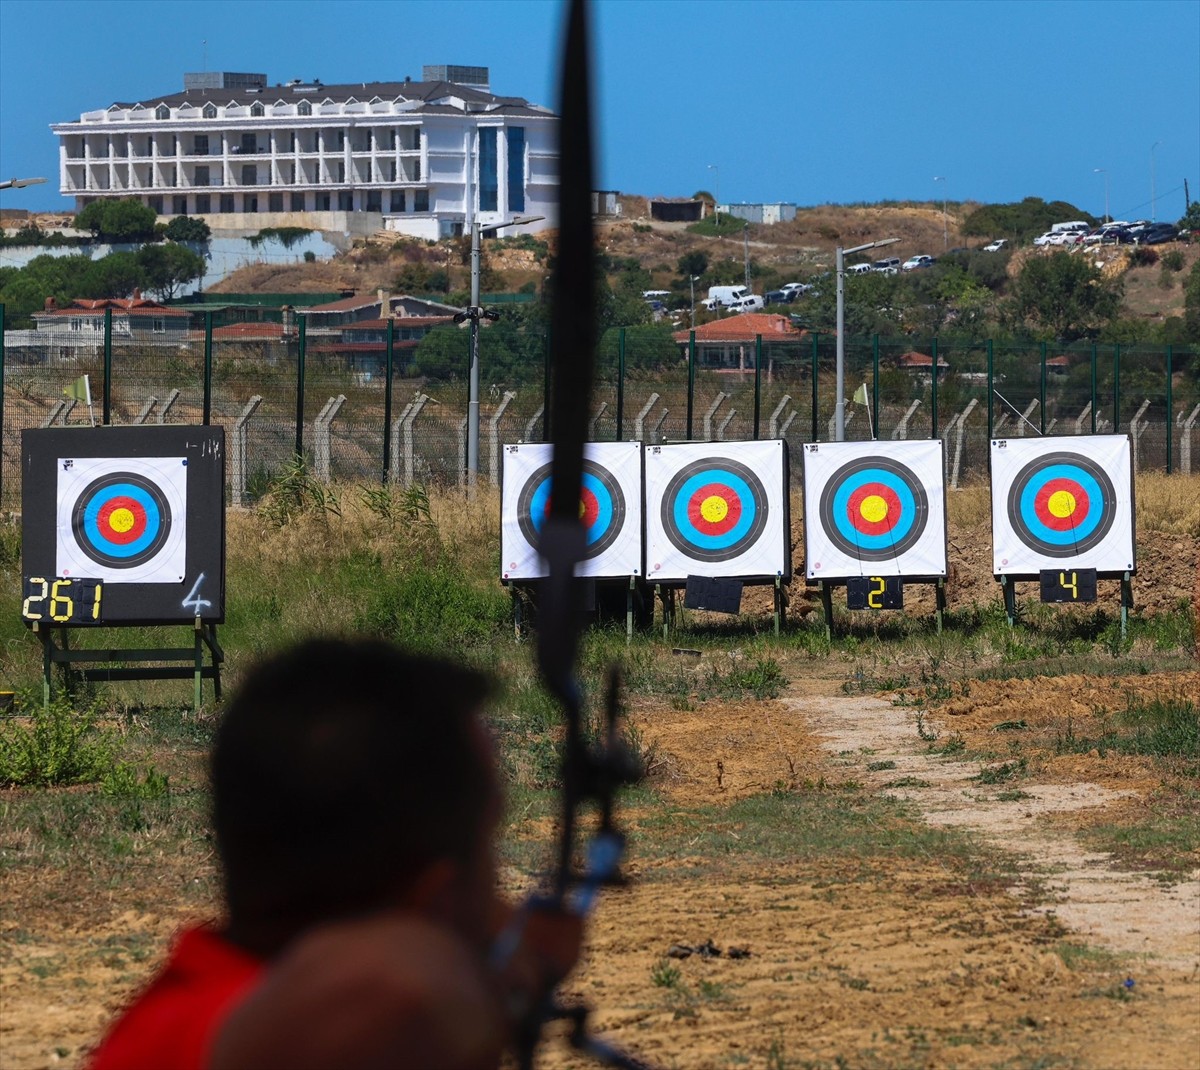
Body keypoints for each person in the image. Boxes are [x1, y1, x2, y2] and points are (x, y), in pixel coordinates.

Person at [86, 637, 581, 1070]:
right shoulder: (319, 1029)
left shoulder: (179, 1014)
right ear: (437, 893)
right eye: (488, 835)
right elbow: (403, 993)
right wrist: (505, 978)